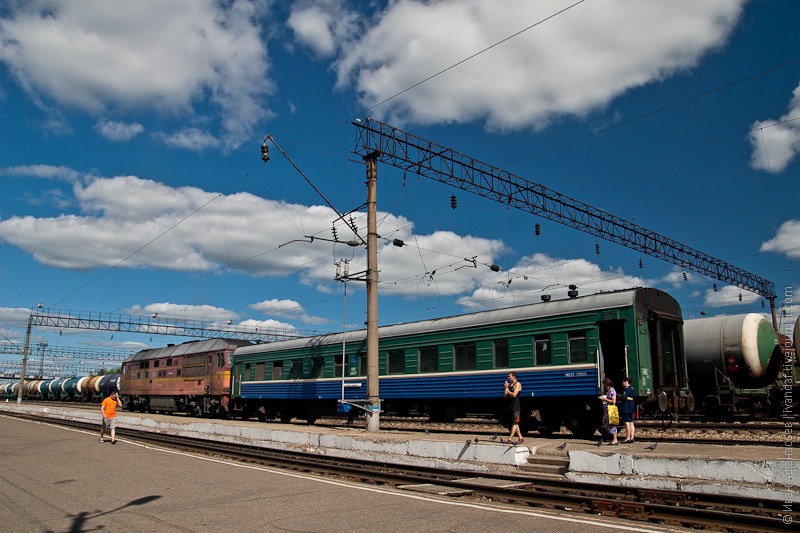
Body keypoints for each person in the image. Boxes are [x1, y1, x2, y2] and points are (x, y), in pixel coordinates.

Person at [504, 371, 523, 444]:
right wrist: (506, 388)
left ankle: (510, 439)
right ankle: (521, 438)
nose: (508, 378)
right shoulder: (509, 385)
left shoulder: (517, 384)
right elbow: (505, 395)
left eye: (510, 376)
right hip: (511, 405)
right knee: (515, 422)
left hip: (516, 405)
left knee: (514, 423)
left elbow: (514, 395)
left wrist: (508, 391)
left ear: (514, 377)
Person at [599, 377, 618, 445]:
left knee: (612, 424)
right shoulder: (609, 390)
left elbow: (613, 401)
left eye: (604, 384)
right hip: (608, 410)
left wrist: (605, 399)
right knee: (607, 423)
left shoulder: (612, 390)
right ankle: (611, 437)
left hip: (610, 410)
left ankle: (615, 439)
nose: (604, 385)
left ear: (607, 384)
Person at [619, 376, 636, 443]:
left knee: (627, 423)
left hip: (626, 408)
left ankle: (627, 438)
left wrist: (620, 396)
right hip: (631, 408)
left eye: (623, 382)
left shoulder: (626, 389)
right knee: (631, 422)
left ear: (626, 382)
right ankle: (632, 437)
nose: (622, 384)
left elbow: (624, 398)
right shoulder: (632, 389)